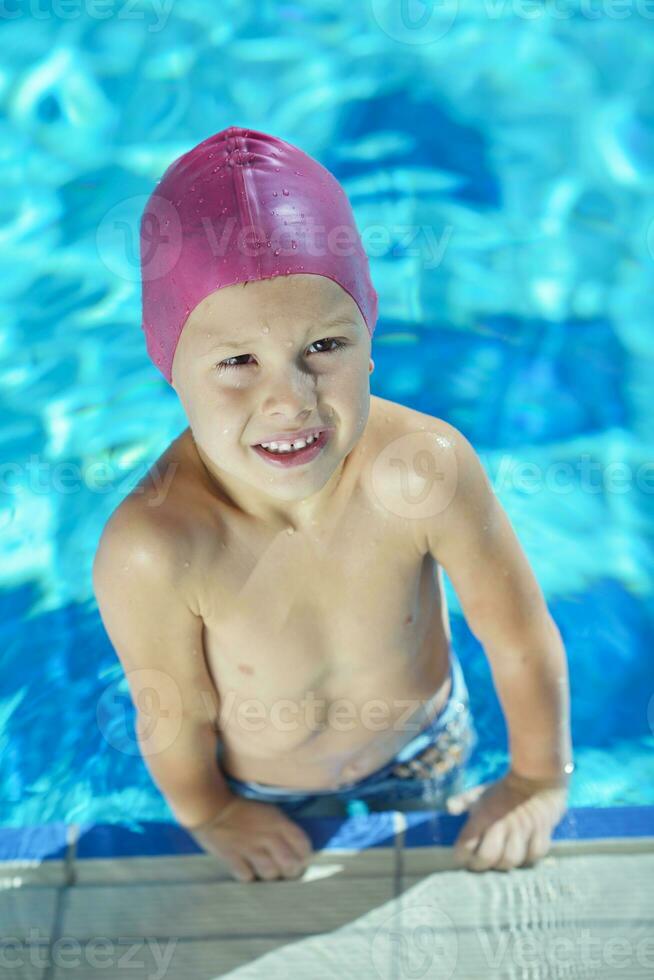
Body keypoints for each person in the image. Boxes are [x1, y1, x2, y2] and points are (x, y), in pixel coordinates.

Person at [93, 126, 574, 883]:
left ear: (370, 335)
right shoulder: (157, 545)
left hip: (424, 749)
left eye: (324, 347)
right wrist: (210, 813)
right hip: (265, 785)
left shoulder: (423, 472)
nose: (290, 400)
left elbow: (517, 635)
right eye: (238, 362)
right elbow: (171, 711)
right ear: (170, 368)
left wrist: (538, 780)